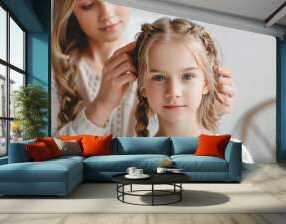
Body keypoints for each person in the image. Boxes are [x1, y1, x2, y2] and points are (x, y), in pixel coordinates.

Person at [52, 0, 235, 137]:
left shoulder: (157, 50)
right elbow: (53, 159)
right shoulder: (54, 74)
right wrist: (102, 105)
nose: (107, 13)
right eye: (88, 4)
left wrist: (209, 108)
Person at [134, 17, 224, 137]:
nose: (173, 92)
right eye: (159, 78)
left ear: (206, 82)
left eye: (187, 76)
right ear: (142, 86)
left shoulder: (232, 153)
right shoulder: (134, 155)